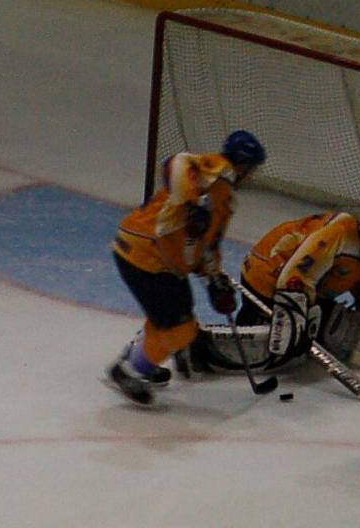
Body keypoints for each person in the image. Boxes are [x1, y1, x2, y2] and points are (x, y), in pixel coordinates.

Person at [106, 130, 266, 404]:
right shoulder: (217, 172)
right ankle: (129, 371)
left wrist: (214, 280)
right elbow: (176, 161)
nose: (251, 176)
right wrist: (191, 204)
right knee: (180, 328)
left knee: (174, 317)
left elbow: (208, 244)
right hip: (146, 254)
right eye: (251, 169)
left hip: (155, 257)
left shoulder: (222, 194)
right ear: (243, 165)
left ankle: (137, 359)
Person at [180, 210, 360, 374]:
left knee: (330, 329)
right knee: (276, 342)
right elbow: (296, 275)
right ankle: (197, 347)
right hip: (268, 272)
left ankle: (286, 333)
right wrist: (294, 314)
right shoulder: (341, 233)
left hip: (308, 287)